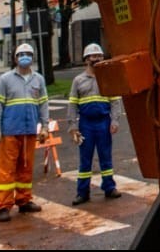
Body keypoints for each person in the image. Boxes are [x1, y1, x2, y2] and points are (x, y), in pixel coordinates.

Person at [0, 43, 50, 222]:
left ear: (33, 58)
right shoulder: (5, 79)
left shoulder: (38, 79)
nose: (25, 57)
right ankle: (3, 206)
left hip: (29, 131)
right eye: (21, 54)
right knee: (6, 171)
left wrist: (45, 127)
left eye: (28, 54)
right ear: (15, 58)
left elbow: (43, 104)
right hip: (10, 131)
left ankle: (24, 201)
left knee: (26, 168)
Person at [66, 42, 123, 205]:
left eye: (99, 55)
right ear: (86, 59)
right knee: (85, 159)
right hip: (86, 124)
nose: (96, 59)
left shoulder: (107, 78)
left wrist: (115, 121)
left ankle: (109, 187)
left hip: (103, 123)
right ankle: (82, 192)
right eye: (93, 56)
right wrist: (73, 127)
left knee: (106, 157)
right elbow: (72, 104)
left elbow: (115, 101)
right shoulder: (78, 81)